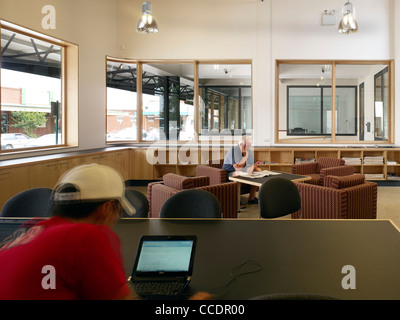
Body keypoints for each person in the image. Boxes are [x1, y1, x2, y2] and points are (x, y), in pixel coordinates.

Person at [0, 163, 212, 300]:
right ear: (106, 208)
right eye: (118, 210)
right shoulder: (87, 236)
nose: (117, 218)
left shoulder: (26, 232)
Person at [222, 136, 261, 204]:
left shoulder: (248, 150)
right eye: (248, 146)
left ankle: (251, 197)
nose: (249, 148)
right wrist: (245, 156)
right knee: (237, 174)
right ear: (241, 145)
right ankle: (236, 200)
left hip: (242, 171)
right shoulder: (234, 150)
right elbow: (237, 168)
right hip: (230, 172)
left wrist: (251, 167)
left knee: (258, 170)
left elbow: (255, 163)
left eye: (250, 146)